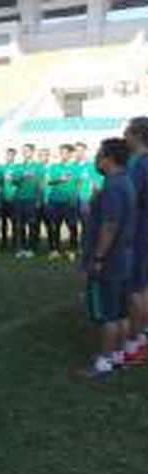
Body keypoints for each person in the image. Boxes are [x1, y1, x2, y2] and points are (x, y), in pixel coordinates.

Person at [81, 138, 135, 378]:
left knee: (107, 315)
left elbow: (110, 226)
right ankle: (116, 356)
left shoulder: (113, 186)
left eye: (99, 154)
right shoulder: (124, 182)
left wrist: (98, 258)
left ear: (109, 158)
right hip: (124, 256)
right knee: (121, 312)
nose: (96, 159)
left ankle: (103, 362)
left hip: (110, 260)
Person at [123, 117, 148, 365]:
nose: (124, 136)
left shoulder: (138, 163)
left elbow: (127, 200)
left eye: (127, 131)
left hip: (139, 233)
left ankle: (135, 343)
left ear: (137, 135)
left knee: (135, 290)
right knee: (144, 287)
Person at [46, 144, 79, 261]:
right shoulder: (54, 166)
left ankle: (72, 250)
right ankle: (54, 250)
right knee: (54, 227)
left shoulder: (76, 167)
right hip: (54, 201)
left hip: (69, 202)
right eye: (61, 152)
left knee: (72, 227)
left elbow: (79, 184)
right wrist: (60, 179)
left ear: (70, 154)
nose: (62, 155)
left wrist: (74, 198)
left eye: (65, 152)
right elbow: (49, 181)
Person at [13, 144, 44, 258]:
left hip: (32, 199)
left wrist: (39, 200)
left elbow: (40, 184)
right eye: (23, 151)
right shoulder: (18, 166)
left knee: (32, 225)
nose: (24, 153)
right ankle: (20, 248)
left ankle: (31, 248)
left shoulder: (38, 166)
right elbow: (14, 181)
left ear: (32, 152)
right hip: (19, 199)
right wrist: (22, 176)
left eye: (27, 151)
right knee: (19, 225)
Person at [0, 148, 19, 251]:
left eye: (11, 155)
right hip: (3, 199)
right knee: (3, 223)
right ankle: (4, 242)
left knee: (14, 223)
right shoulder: (1, 168)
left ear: (14, 156)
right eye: (7, 155)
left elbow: (19, 182)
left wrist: (13, 179)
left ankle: (15, 243)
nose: (9, 157)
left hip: (14, 199)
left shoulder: (17, 168)